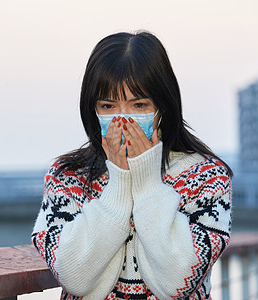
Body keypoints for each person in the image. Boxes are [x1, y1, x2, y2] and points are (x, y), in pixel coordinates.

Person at [31, 31, 233, 300]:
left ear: (163, 107)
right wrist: (120, 183)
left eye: (138, 104)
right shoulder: (67, 177)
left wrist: (147, 183)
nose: (123, 119)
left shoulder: (208, 178)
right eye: (108, 105)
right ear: (93, 110)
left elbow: (177, 282)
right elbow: (75, 276)